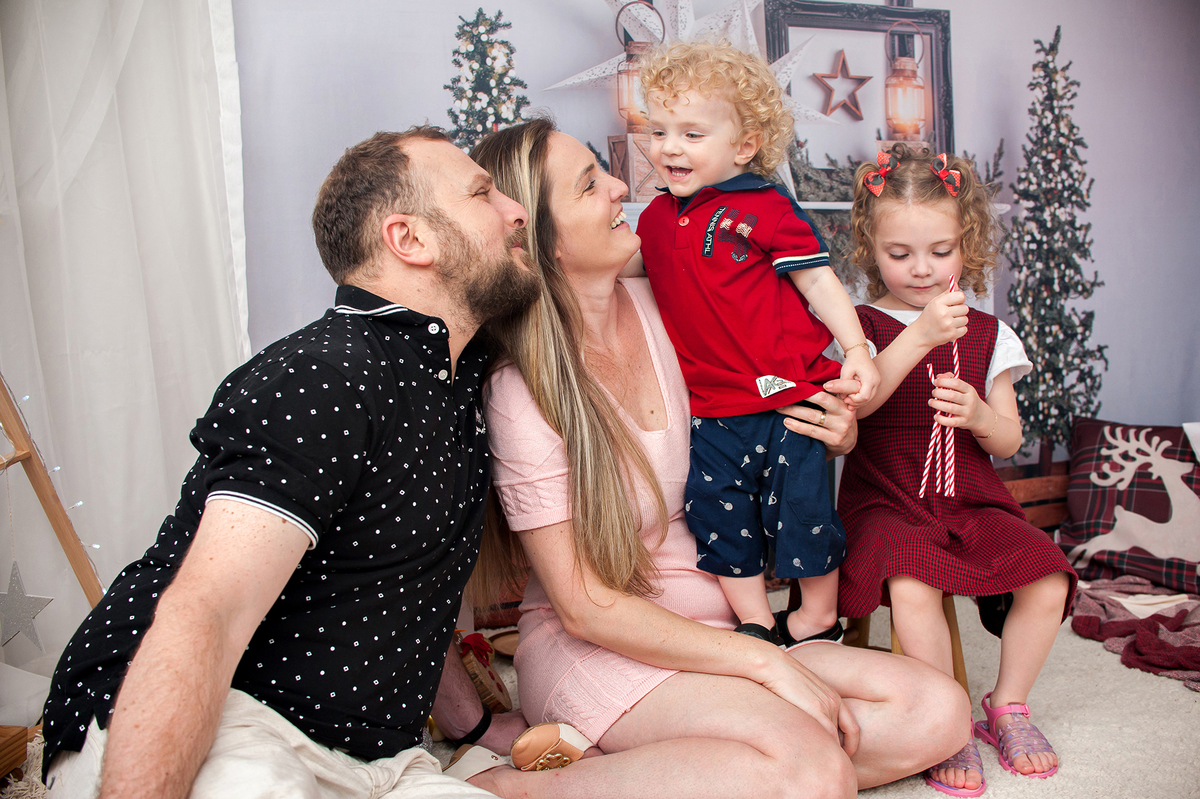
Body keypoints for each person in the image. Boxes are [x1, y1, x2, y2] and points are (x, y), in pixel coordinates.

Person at [444, 117, 969, 799]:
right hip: (608, 648)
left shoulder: (674, 304)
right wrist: (766, 665)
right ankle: (509, 790)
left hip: (730, 622)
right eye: (589, 185)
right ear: (541, 236)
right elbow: (586, 608)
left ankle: (663, 767)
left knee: (938, 709)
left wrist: (829, 430)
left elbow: (774, 406)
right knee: (812, 770)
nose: (621, 187)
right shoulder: (523, 390)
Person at [39, 126, 542, 799]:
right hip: (221, 719)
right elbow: (207, 611)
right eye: (482, 194)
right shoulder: (324, 373)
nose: (516, 211)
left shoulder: (457, 375)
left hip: (380, 758)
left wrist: (471, 723)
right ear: (409, 239)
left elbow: (397, 588)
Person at [837, 145, 1078, 796]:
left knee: (1049, 573)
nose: (922, 268)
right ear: (870, 247)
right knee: (914, 580)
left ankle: (1008, 706)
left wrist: (979, 415)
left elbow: (1010, 437)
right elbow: (858, 405)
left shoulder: (990, 333)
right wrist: (916, 335)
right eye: (900, 253)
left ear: (965, 244)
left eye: (940, 250)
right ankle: (943, 721)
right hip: (886, 499)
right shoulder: (858, 328)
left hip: (968, 498)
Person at [634, 41, 880, 645]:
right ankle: (756, 621)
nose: (669, 147)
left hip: (789, 392)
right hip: (714, 404)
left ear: (744, 145)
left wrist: (855, 349)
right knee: (714, 506)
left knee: (801, 506)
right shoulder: (654, 220)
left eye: (692, 134)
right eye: (659, 131)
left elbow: (817, 280)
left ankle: (818, 615)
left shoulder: (765, 207)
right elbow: (633, 277)